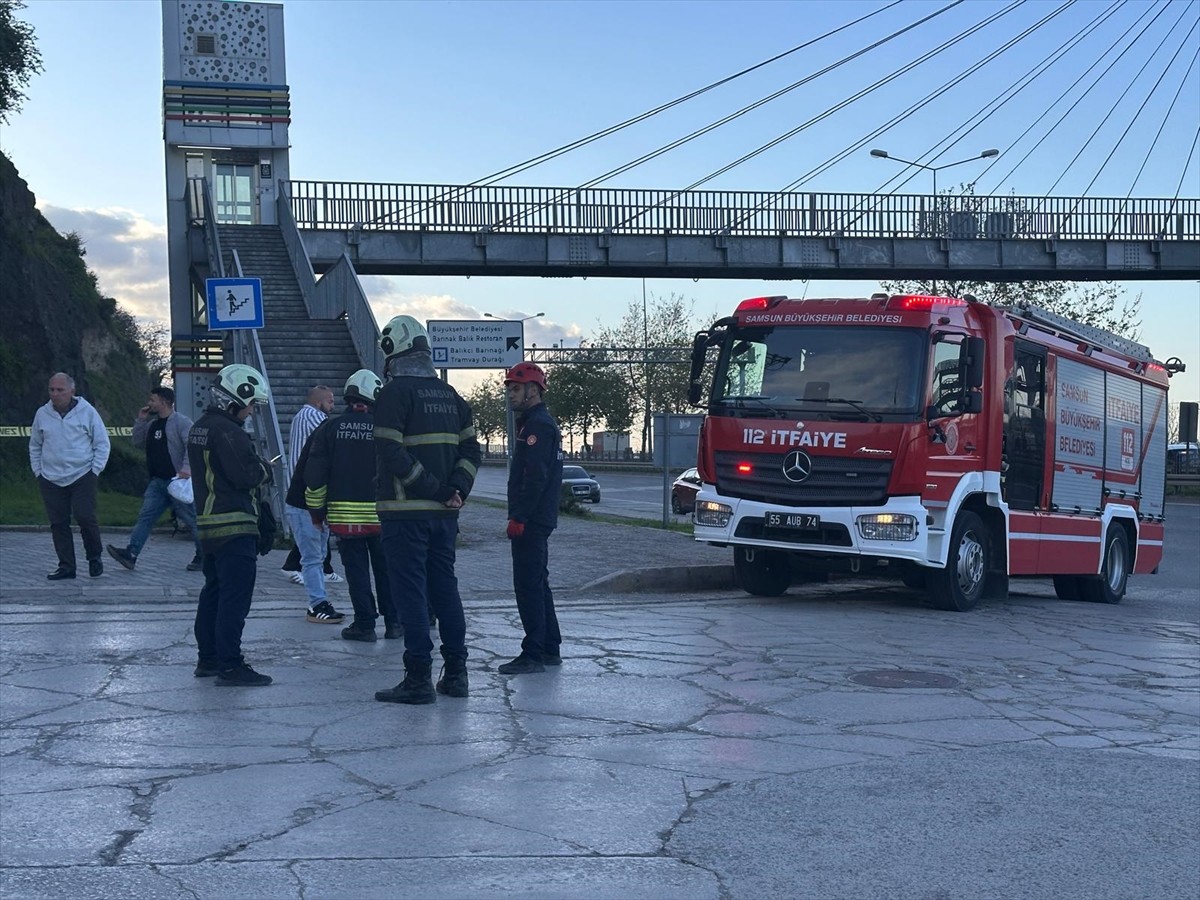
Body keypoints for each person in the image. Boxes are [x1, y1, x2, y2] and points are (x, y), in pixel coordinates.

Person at [373, 315, 480, 705]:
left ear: (392, 351)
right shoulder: (452, 396)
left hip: (405, 514)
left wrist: (433, 489)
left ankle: (417, 678)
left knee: (411, 595)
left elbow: (390, 450)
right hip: (444, 516)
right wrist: (457, 491)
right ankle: (456, 674)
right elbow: (471, 451)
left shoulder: (393, 394)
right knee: (445, 591)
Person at [189, 364, 274, 686]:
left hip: (210, 525)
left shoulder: (201, 426)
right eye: (251, 405)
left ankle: (207, 659)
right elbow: (246, 475)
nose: (251, 412)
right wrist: (265, 468)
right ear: (237, 399)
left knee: (213, 593)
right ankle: (230, 664)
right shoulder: (229, 432)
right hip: (234, 525)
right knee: (234, 600)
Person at [304, 369, 400, 642]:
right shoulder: (386, 429)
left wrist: (316, 512)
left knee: (357, 573)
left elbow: (315, 477)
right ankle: (394, 623)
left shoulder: (329, 428)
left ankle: (364, 624)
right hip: (383, 517)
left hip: (345, 520)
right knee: (387, 571)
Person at [497, 362, 565, 675]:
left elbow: (534, 477)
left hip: (532, 520)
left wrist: (520, 516)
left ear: (533, 391)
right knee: (539, 582)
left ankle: (533, 653)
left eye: (515, 388)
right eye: (508, 388)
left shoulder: (538, 426)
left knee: (528, 586)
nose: (510, 394)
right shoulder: (536, 423)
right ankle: (550, 646)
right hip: (537, 518)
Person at [106, 386, 203, 572]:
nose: (149, 403)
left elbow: (192, 446)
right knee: (145, 517)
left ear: (164, 402)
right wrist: (141, 420)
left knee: (192, 520)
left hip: (177, 482)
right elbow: (136, 441)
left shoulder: (182, 422)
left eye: (153, 400)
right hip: (157, 483)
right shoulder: (152, 424)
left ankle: (204, 554)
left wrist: (186, 469)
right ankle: (131, 554)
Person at [29, 372, 111, 580]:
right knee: (58, 523)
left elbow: (102, 443)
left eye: (60, 390)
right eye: (52, 390)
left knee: (85, 516)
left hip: (82, 474)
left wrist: (95, 470)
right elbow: (35, 445)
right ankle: (66, 566)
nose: (55, 394)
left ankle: (94, 557)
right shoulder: (42, 413)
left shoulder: (87, 412)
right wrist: (38, 471)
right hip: (50, 477)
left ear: (72, 391)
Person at [284, 418, 346, 626]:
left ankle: (319, 602)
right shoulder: (329, 437)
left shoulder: (325, 435)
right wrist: (318, 513)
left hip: (307, 505)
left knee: (317, 556)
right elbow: (316, 477)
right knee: (312, 557)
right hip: (304, 506)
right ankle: (317, 604)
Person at [280, 385, 342, 585]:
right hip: (307, 485)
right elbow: (332, 437)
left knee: (315, 533)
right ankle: (298, 568)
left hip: (302, 481)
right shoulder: (314, 418)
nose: (333, 406)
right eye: (330, 401)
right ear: (318, 402)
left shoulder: (302, 416)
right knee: (312, 532)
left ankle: (323, 568)